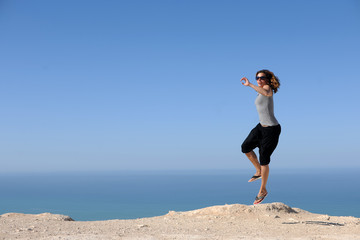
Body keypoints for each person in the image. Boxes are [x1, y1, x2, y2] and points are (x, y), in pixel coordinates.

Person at [240, 69, 281, 204]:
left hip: (271, 130)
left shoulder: (267, 88)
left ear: (268, 79)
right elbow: (261, 92)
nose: (259, 80)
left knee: (264, 159)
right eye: (257, 78)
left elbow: (267, 93)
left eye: (262, 77)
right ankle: (258, 171)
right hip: (261, 127)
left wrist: (250, 84)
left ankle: (263, 190)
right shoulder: (260, 90)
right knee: (245, 147)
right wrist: (252, 86)